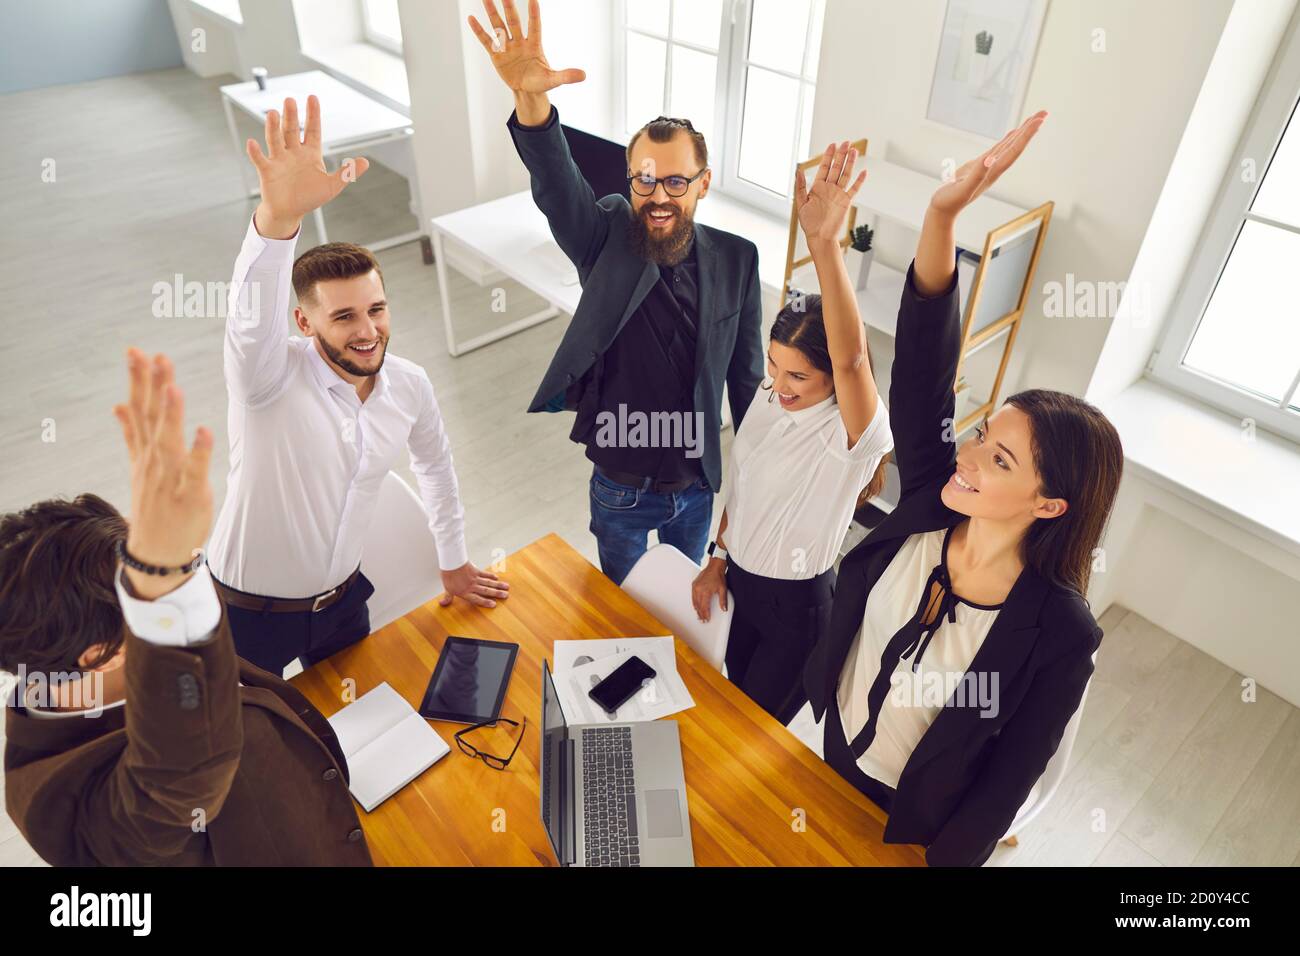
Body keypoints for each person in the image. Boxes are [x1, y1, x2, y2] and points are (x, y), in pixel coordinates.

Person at [802, 111, 1125, 866]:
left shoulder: (1061, 634)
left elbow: (1004, 785)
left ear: (1051, 506)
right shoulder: (929, 500)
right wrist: (943, 215)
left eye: (1001, 462)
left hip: (908, 822)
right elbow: (922, 367)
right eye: (983, 434)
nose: (970, 458)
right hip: (830, 751)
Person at [1, 349, 373, 865]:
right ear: (100, 655)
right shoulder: (79, 812)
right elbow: (180, 770)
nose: (191, 579)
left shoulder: (57, 666)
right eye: (158, 594)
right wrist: (162, 581)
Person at [206, 93, 508, 676]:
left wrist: (453, 559)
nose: (368, 331)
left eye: (377, 309)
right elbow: (250, 319)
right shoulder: (265, 379)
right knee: (253, 750)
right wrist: (279, 221)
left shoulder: (410, 385)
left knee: (355, 727)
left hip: (343, 607)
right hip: (247, 617)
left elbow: (437, 470)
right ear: (303, 321)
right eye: (344, 317)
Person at [468, 0, 764, 584]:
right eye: (645, 179)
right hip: (620, 487)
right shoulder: (605, 233)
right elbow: (558, 187)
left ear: (703, 184)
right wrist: (533, 104)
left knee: (682, 612)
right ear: (630, 180)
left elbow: (748, 382)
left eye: (676, 180)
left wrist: (759, 487)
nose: (658, 195)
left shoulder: (738, 258)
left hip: (697, 487)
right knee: (618, 612)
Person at [690, 142, 893, 726]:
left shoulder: (850, 432)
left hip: (798, 609)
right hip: (744, 587)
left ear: (835, 377)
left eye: (799, 375)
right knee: (727, 705)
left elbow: (852, 357)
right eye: (774, 365)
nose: (779, 384)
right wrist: (717, 558)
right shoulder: (766, 395)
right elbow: (745, 485)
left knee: (749, 733)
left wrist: (824, 246)